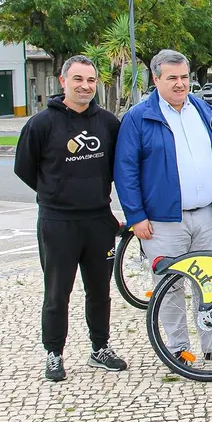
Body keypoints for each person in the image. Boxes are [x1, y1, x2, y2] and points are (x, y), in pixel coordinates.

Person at [114, 49, 212, 362]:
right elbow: (125, 170)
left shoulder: (203, 110)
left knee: (210, 281)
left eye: (184, 77)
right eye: (172, 78)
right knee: (170, 287)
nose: (180, 83)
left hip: (207, 215)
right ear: (156, 79)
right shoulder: (138, 118)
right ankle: (177, 348)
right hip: (163, 221)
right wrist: (136, 216)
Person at [14, 55, 127, 381]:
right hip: (58, 222)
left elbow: (120, 166)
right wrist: (55, 192)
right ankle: (54, 353)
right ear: (63, 81)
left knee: (99, 291)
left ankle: (100, 348)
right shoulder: (42, 124)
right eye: (78, 79)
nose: (85, 86)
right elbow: (24, 168)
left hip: (98, 220)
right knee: (57, 291)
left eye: (91, 80)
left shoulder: (107, 123)